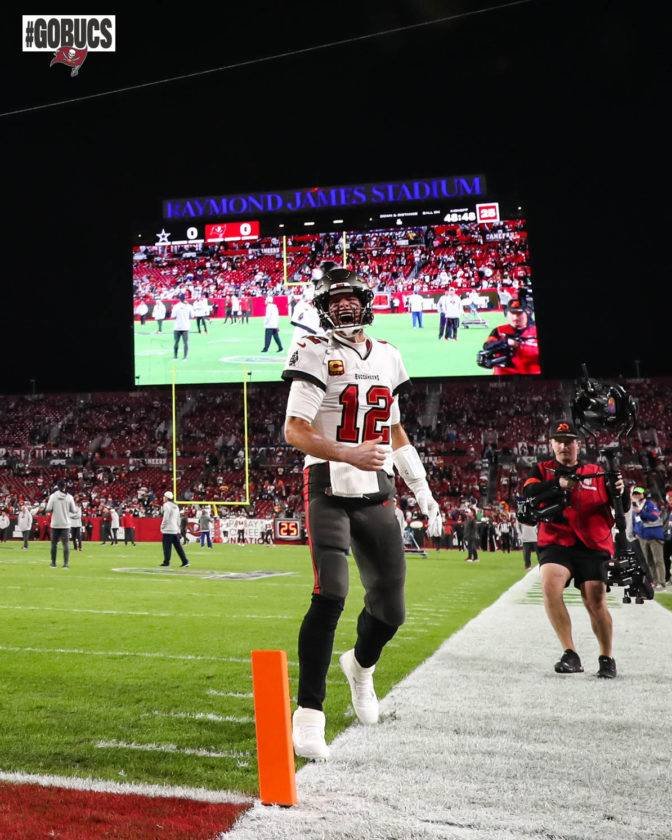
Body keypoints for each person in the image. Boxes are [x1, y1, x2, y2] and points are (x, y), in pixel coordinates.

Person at [282, 265, 440, 761]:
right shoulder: (312, 351)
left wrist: (424, 491)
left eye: (352, 297)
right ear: (322, 306)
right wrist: (348, 453)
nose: (345, 305)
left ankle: (362, 667)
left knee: (391, 608)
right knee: (330, 594)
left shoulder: (389, 355)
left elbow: (395, 433)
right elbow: (295, 430)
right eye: (335, 299)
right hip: (328, 485)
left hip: (377, 489)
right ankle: (309, 714)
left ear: (365, 301)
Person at [523, 419, 628, 678]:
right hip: (556, 540)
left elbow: (622, 506)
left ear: (577, 445)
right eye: (558, 441)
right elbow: (527, 494)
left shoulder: (597, 471)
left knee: (595, 599)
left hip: (593, 542)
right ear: (551, 444)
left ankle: (606, 656)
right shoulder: (541, 469)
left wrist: (621, 490)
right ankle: (570, 653)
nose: (563, 446)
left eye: (569, 441)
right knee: (550, 584)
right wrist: (556, 485)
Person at [480, 298, 540, 375]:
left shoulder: (535, 330)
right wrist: (506, 342)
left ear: (527, 313)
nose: (515, 317)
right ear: (506, 314)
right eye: (512, 313)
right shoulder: (499, 330)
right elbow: (487, 346)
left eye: (519, 313)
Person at [632, 486, 666, 589]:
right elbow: (635, 522)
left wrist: (640, 512)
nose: (637, 495)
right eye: (635, 493)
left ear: (643, 495)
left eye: (639, 493)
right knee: (649, 562)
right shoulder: (634, 506)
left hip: (654, 537)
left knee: (658, 560)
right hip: (643, 537)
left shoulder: (650, 504)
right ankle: (655, 582)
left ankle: (661, 582)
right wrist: (635, 532)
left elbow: (654, 516)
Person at [45, 480, 77, 568]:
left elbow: (48, 509)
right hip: (66, 524)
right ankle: (66, 564)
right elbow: (74, 510)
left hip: (55, 523)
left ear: (57, 486)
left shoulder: (53, 496)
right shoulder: (70, 497)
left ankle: (53, 563)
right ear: (65, 486)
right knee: (65, 544)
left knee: (54, 544)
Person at [159, 491, 190, 567]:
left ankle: (166, 562)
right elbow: (178, 519)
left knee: (167, 547)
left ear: (166, 497)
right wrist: (178, 528)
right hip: (174, 529)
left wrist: (162, 526)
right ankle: (185, 561)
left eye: (164, 496)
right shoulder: (175, 506)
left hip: (168, 530)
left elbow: (166, 517)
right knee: (178, 547)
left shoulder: (166, 505)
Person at [171, 293, 193, 360]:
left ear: (179, 299)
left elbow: (173, 316)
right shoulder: (189, 306)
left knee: (176, 342)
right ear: (185, 298)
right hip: (185, 326)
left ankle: (175, 356)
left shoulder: (176, 306)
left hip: (177, 326)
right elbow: (192, 316)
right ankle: (185, 357)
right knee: (185, 342)